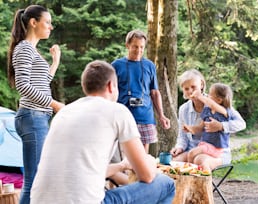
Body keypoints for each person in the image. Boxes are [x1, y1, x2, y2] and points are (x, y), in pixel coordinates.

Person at [30, 60, 175, 204]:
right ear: (111, 86)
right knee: (166, 184)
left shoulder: (64, 113)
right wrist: (148, 160)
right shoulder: (117, 111)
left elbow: (82, 172)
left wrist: (122, 165)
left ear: (84, 86)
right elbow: (147, 176)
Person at [7, 5, 64, 204]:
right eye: (47, 22)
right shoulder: (24, 48)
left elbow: (40, 84)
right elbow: (23, 86)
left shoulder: (31, 50)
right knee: (34, 181)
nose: (51, 26)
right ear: (33, 22)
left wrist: (55, 62)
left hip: (37, 117)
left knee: (37, 178)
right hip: (32, 116)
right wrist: (55, 104)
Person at [170, 69, 246, 169]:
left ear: (201, 85)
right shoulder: (183, 109)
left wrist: (221, 126)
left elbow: (241, 124)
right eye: (186, 89)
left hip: (217, 151)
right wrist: (179, 147)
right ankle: (185, 183)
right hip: (192, 150)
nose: (190, 91)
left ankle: (203, 184)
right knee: (172, 162)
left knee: (200, 161)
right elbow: (182, 136)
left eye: (193, 87)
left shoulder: (216, 103)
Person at [111, 30, 170, 153]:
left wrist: (161, 115)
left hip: (145, 117)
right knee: (124, 156)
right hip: (123, 117)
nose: (139, 50)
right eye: (135, 47)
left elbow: (154, 92)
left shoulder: (150, 66)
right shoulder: (116, 65)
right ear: (127, 45)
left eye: (142, 47)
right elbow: (110, 91)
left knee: (142, 156)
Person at [183, 83, 233, 172]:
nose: (207, 96)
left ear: (219, 100)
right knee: (195, 158)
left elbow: (213, 105)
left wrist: (200, 97)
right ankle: (195, 177)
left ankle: (197, 178)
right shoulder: (207, 111)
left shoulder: (224, 112)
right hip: (205, 144)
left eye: (210, 95)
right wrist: (190, 129)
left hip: (216, 147)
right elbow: (200, 128)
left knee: (191, 154)